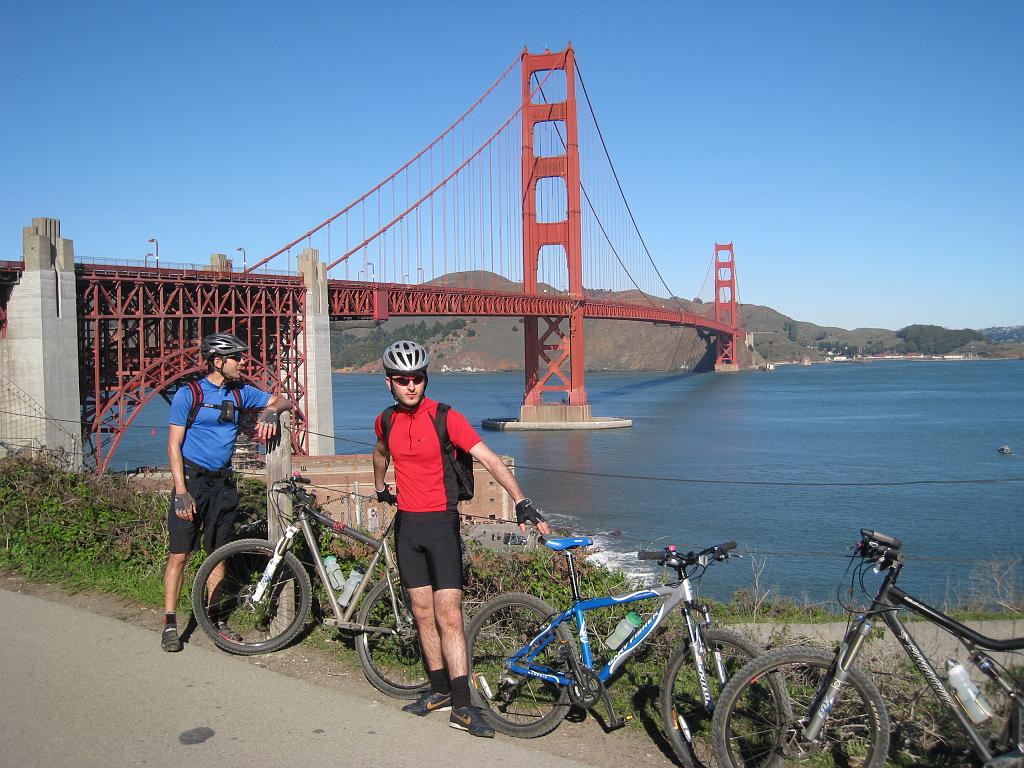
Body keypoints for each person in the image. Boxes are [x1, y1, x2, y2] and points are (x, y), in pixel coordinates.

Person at [372, 339, 549, 738]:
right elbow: (381, 450)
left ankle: (463, 706)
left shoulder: (446, 417)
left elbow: (488, 456)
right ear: (390, 384)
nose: (411, 386)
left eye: (417, 378)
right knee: (421, 612)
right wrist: (379, 483)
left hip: (441, 526)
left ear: (425, 379)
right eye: (402, 380)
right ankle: (437, 692)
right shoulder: (385, 420)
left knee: (449, 614)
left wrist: (521, 500)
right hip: (408, 527)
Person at [161, 332, 292, 652]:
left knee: (218, 554)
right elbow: (173, 446)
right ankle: (169, 622)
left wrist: (271, 411)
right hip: (192, 482)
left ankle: (215, 617)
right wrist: (181, 492)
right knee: (179, 554)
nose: (243, 362)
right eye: (237, 358)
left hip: (223, 483)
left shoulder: (240, 393)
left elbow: (282, 399)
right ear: (219, 362)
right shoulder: (187, 395)